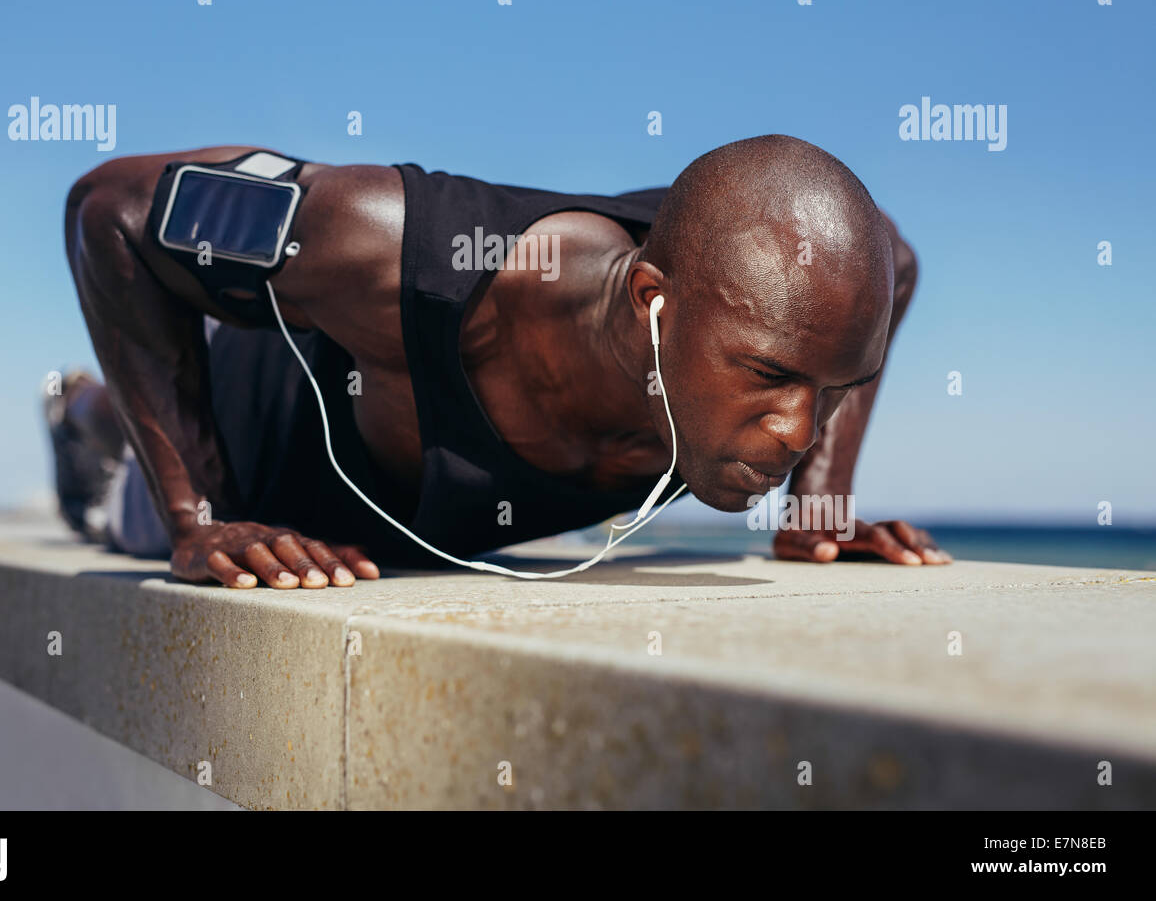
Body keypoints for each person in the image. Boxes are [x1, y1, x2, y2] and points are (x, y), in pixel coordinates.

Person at [49, 134, 948, 589]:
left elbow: (893, 261)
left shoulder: (762, 311)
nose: (798, 429)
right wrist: (198, 515)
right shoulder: (396, 248)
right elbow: (112, 212)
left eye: (836, 387)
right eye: (767, 375)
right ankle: (78, 408)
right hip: (236, 439)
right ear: (652, 306)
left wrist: (818, 511)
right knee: (109, 476)